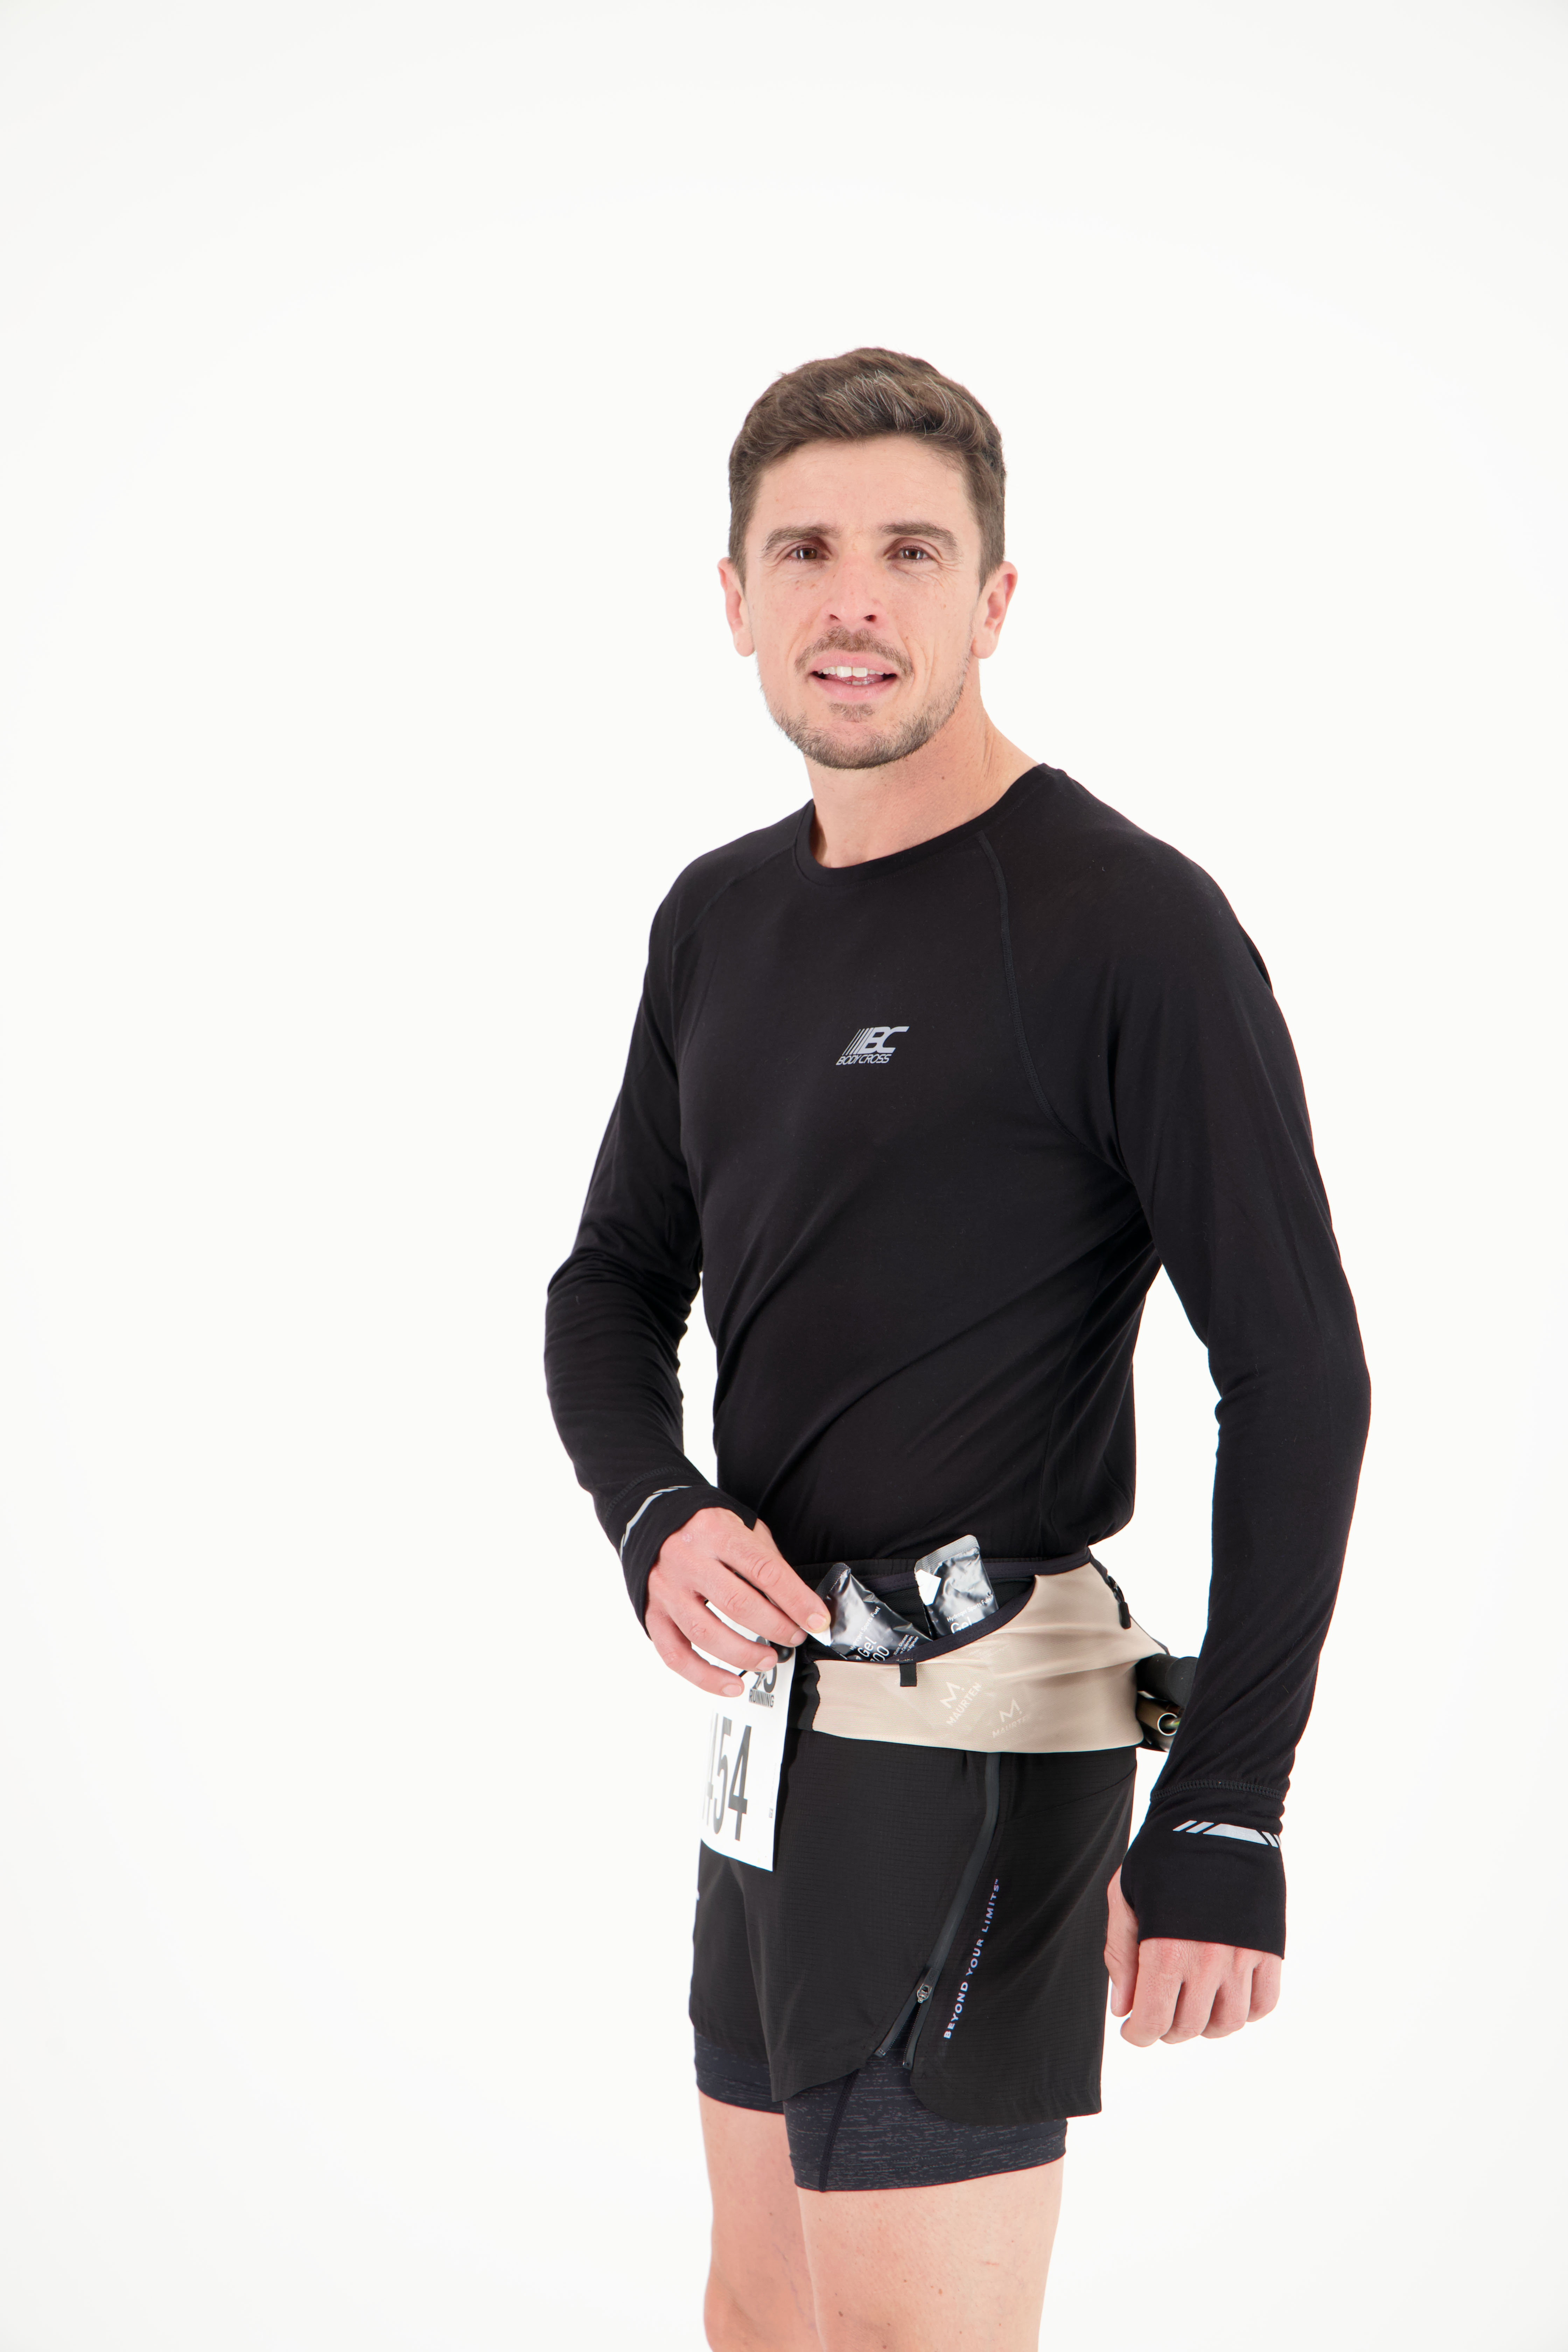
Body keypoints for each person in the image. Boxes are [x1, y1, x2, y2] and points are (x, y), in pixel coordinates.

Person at [544, 348, 1369, 2352]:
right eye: (805, 551)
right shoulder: (718, 919)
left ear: (995, 601)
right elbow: (610, 1282)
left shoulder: (1125, 924)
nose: (856, 601)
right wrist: (656, 1514)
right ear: (732, 596)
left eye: (913, 552)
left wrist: (1229, 1806)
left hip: (984, 1742)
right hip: (775, 1750)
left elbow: (1299, 1372)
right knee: (760, 2317)